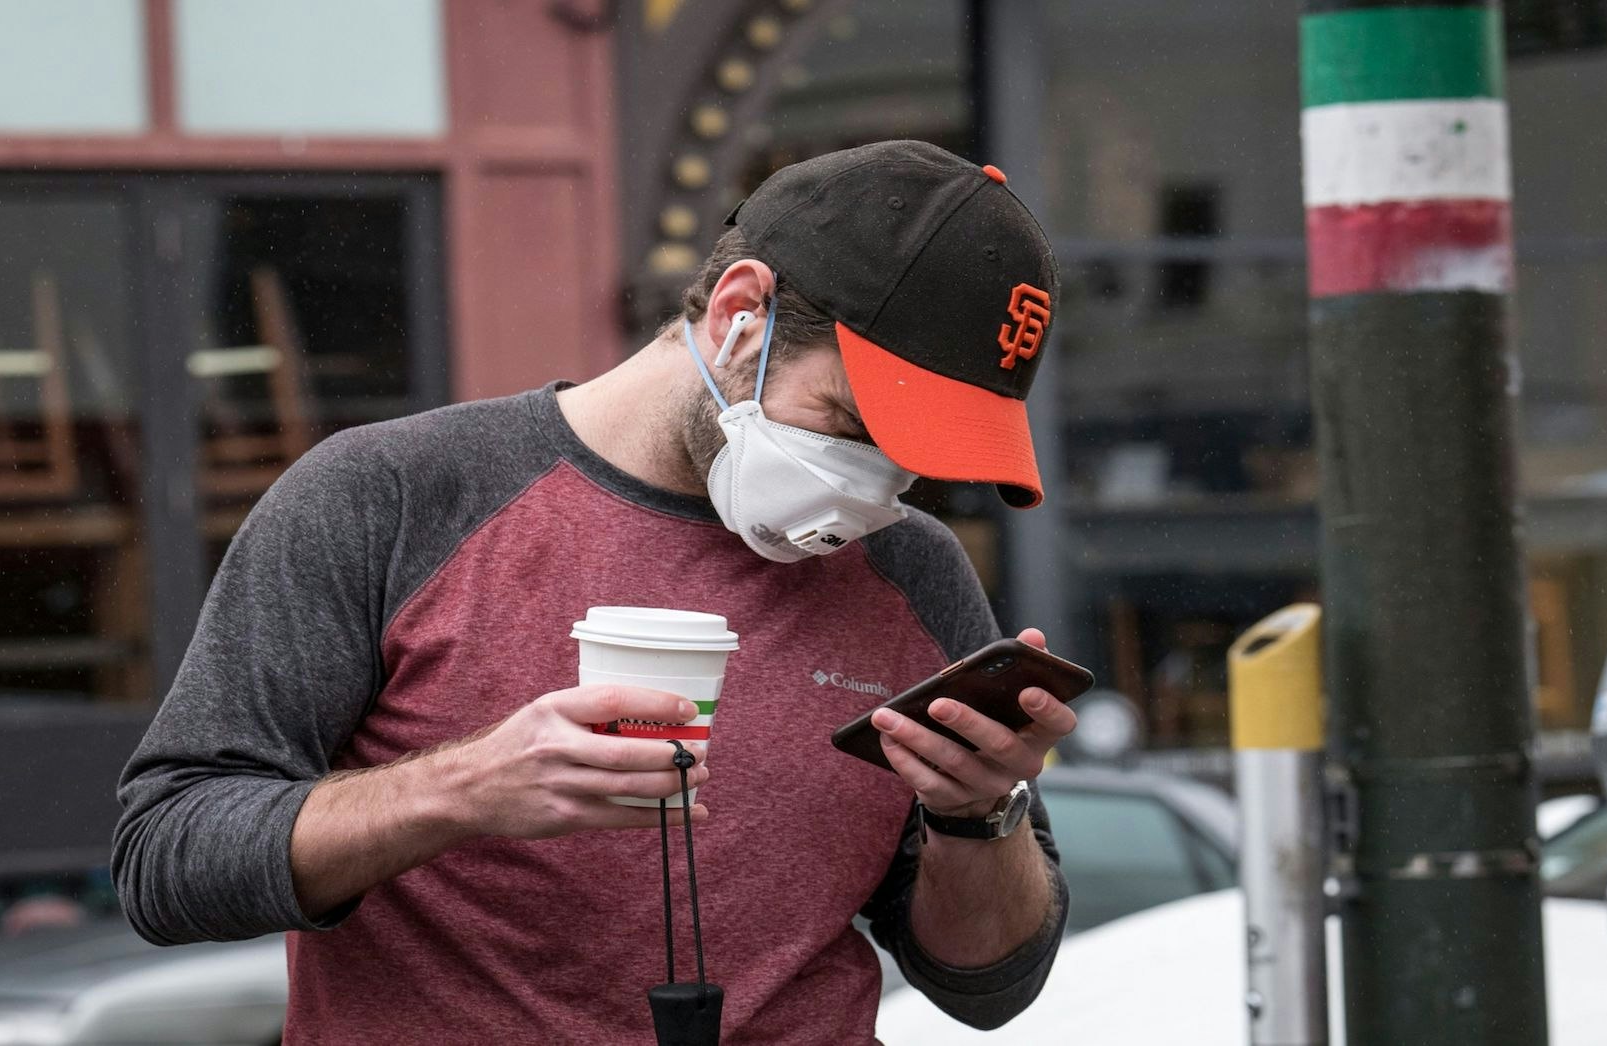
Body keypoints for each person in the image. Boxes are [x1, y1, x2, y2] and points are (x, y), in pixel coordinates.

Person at [112, 140, 1073, 1045]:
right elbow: (166, 862)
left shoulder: (914, 571)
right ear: (740, 313)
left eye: (914, 462)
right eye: (852, 423)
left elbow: (988, 988)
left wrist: (978, 814)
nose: (873, 484)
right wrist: (462, 787)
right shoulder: (391, 497)